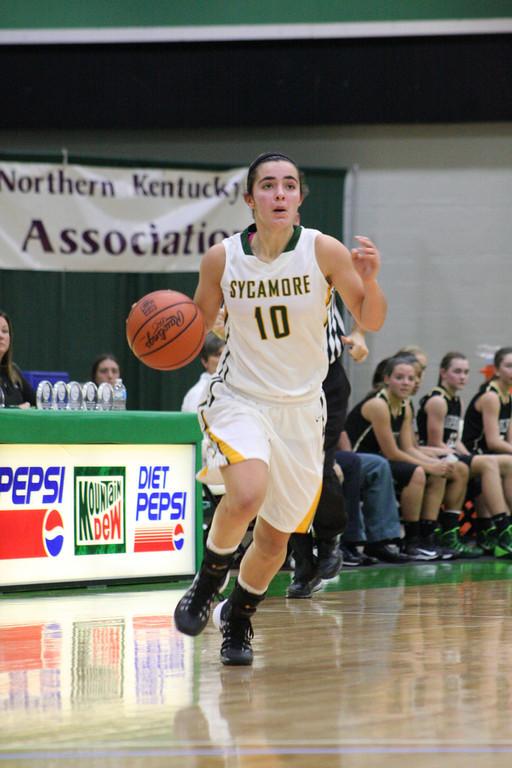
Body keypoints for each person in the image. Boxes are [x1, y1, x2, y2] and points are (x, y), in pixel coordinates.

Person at [173, 151, 387, 666]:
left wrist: (370, 278)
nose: (279, 194)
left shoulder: (323, 251)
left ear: (299, 198)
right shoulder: (221, 258)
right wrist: (168, 331)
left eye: (289, 186)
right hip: (240, 397)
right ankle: (205, 585)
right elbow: (196, 326)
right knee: (246, 494)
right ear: (250, 199)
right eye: (268, 186)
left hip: (301, 410)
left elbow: (372, 320)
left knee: (275, 538)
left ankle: (239, 619)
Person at [286, 309, 367, 598]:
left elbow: (363, 292)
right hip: (278, 382)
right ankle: (304, 565)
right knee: (286, 475)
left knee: (318, 464)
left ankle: (330, 536)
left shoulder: (323, 262)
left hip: (325, 378)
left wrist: (359, 332)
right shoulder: (251, 269)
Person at [344, 355, 451, 560]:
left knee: (439, 472)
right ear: (387, 379)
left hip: (384, 460)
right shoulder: (378, 404)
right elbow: (393, 452)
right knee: (417, 473)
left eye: (410, 379)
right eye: (399, 377)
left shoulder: (405, 405)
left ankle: (423, 538)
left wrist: (435, 464)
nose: (406, 383)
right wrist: (427, 467)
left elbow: (408, 448)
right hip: (363, 460)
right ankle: (408, 541)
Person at [460, 347, 512, 556]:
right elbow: (493, 441)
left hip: (492, 457)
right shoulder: (491, 396)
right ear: (497, 370)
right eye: (509, 366)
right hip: (475, 454)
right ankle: (504, 530)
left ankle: (501, 529)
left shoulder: (507, 397)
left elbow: (508, 440)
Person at [335, 450, 410, 565]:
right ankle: (347, 541)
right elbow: (392, 451)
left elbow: (342, 442)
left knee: (378, 464)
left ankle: (378, 541)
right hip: (310, 454)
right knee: (351, 462)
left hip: (331, 453)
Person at [181, 333, 226, 413]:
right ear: (205, 361)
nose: (224, 359)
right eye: (218, 355)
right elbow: (195, 424)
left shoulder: (237, 389)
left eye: (226, 354)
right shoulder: (198, 393)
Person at [0, 309, 35, 408]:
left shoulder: (13, 371)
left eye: (5, 331)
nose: (1, 336)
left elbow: (36, 402)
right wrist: (16, 410)